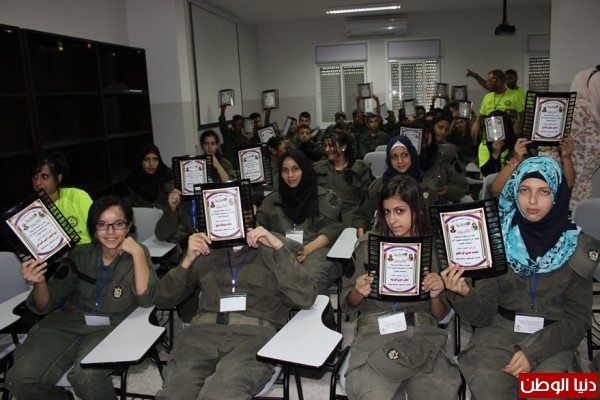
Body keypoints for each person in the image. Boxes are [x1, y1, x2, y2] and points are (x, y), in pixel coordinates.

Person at [441, 157, 598, 400]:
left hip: (553, 340)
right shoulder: (499, 241)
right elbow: (482, 315)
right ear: (515, 191)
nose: (532, 201)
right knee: (488, 384)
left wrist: (533, 351)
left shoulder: (577, 246)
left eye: (543, 191)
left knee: (548, 391)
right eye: (525, 190)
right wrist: (463, 294)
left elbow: (578, 319)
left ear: (557, 195)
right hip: (498, 336)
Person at [6, 195, 157, 400]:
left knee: (87, 379)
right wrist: (39, 283)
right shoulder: (79, 255)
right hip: (68, 322)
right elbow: (44, 305)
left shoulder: (138, 255)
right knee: (19, 379)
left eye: (118, 224)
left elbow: (147, 299)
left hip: (111, 325)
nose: (110, 232)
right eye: (102, 224)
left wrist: (138, 253)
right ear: (93, 228)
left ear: (129, 226)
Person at [154, 225, 317, 399]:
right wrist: (187, 261)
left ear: (253, 211)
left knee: (220, 394)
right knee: (176, 393)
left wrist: (278, 247)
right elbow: (162, 300)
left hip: (252, 336)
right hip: (201, 333)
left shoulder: (272, 244)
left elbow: (305, 298)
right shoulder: (204, 245)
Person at [341, 174, 460, 400]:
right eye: (387, 212)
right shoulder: (367, 245)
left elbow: (441, 316)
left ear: (418, 210)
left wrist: (435, 296)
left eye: (400, 211)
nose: (392, 220)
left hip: (422, 334)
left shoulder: (435, 249)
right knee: (373, 395)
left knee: (438, 394)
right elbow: (347, 304)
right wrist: (358, 292)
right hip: (375, 333)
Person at [256, 149, 343, 295]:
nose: (290, 175)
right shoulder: (272, 200)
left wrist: (306, 250)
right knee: (265, 279)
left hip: (316, 250)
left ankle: (322, 310)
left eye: (295, 169)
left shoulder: (323, 198)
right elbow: (258, 225)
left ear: (305, 169)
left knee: (308, 279)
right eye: (285, 170)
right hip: (281, 251)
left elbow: (331, 229)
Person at [354, 135, 422, 237]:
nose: (400, 161)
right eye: (394, 157)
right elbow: (361, 216)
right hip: (383, 238)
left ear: (412, 155)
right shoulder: (379, 186)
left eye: (404, 155)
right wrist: (362, 238)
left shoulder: (425, 186)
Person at [31, 150, 93, 244]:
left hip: (88, 249)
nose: (38, 183)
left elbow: (98, 228)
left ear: (58, 178)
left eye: (45, 177)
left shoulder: (76, 196)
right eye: (35, 177)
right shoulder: (33, 211)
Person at [313, 131, 373, 228]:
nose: (327, 149)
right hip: (324, 219)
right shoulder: (318, 169)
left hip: (351, 220)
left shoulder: (360, 169)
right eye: (325, 146)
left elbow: (367, 202)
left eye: (331, 146)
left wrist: (361, 225)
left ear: (343, 147)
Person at [122, 142, 173, 209]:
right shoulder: (132, 182)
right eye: (147, 159)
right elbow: (125, 209)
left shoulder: (169, 178)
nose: (151, 163)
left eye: (155, 159)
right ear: (140, 161)